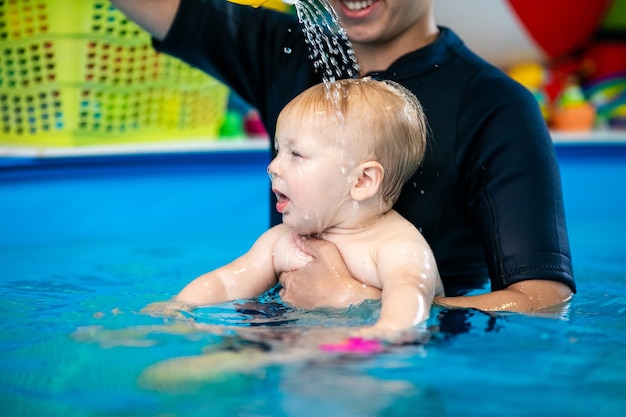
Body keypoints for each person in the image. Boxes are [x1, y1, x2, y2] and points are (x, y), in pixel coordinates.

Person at [111, 0, 575, 312]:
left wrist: (359, 299)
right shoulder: (288, 48)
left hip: (413, 363)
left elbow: (544, 297)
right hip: (279, 352)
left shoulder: (493, 104)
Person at [152, 78, 443, 340]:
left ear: (362, 181)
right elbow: (228, 282)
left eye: (296, 154)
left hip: (367, 366)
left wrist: (381, 335)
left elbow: (410, 296)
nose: (273, 166)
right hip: (305, 350)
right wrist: (179, 306)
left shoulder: (397, 246)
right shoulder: (282, 240)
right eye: (278, 151)